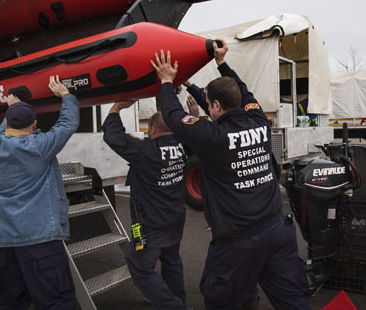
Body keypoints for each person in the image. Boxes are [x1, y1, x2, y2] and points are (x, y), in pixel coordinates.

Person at [150, 41, 310, 310]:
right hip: (277, 233)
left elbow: (173, 114)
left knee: (222, 300)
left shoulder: (212, 138)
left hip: (239, 244)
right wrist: (218, 64)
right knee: (293, 301)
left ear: (214, 105)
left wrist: (167, 81)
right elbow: (239, 92)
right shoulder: (259, 120)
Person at [0, 75, 79, 310]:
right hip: (39, 240)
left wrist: (14, 108)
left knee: (10, 302)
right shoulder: (40, 147)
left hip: (6, 241)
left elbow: (6, 129)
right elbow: (67, 124)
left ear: (7, 124)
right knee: (55, 300)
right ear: (35, 125)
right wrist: (67, 96)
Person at [102, 101, 191, 310]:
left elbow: (113, 136)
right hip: (175, 219)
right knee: (171, 261)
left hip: (152, 224)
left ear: (152, 129)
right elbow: (187, 130)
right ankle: (177, 299)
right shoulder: (181, 145)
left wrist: (116, 108)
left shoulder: (144, 150)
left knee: (139, 266)